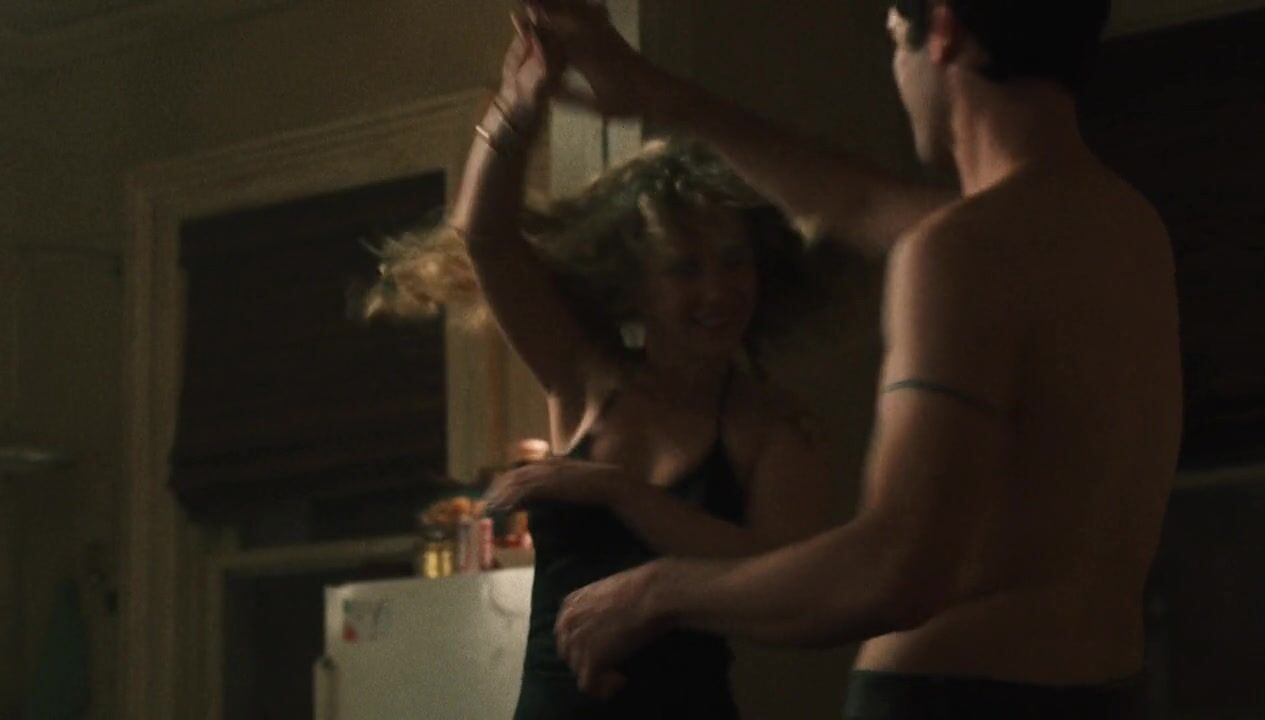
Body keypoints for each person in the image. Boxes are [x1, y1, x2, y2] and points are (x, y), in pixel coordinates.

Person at [527, 1, 1182, 717]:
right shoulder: (1122, 227)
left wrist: (658, 591)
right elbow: (855, 204)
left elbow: (892, 570)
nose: (896, 73)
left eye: (894, 40)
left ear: (942, 32)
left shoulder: (962, 249)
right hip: (1104, 691)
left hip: (953, 698)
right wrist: (654, 94)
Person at [365, 13, 841, 719]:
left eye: (733, 261)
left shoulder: (772, 428)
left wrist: (617, 491)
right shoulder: (585, 378)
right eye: (685, 269)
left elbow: (789, 584)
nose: (717, 291)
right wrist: (517, 107)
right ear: (634, 285)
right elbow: (485, 237)